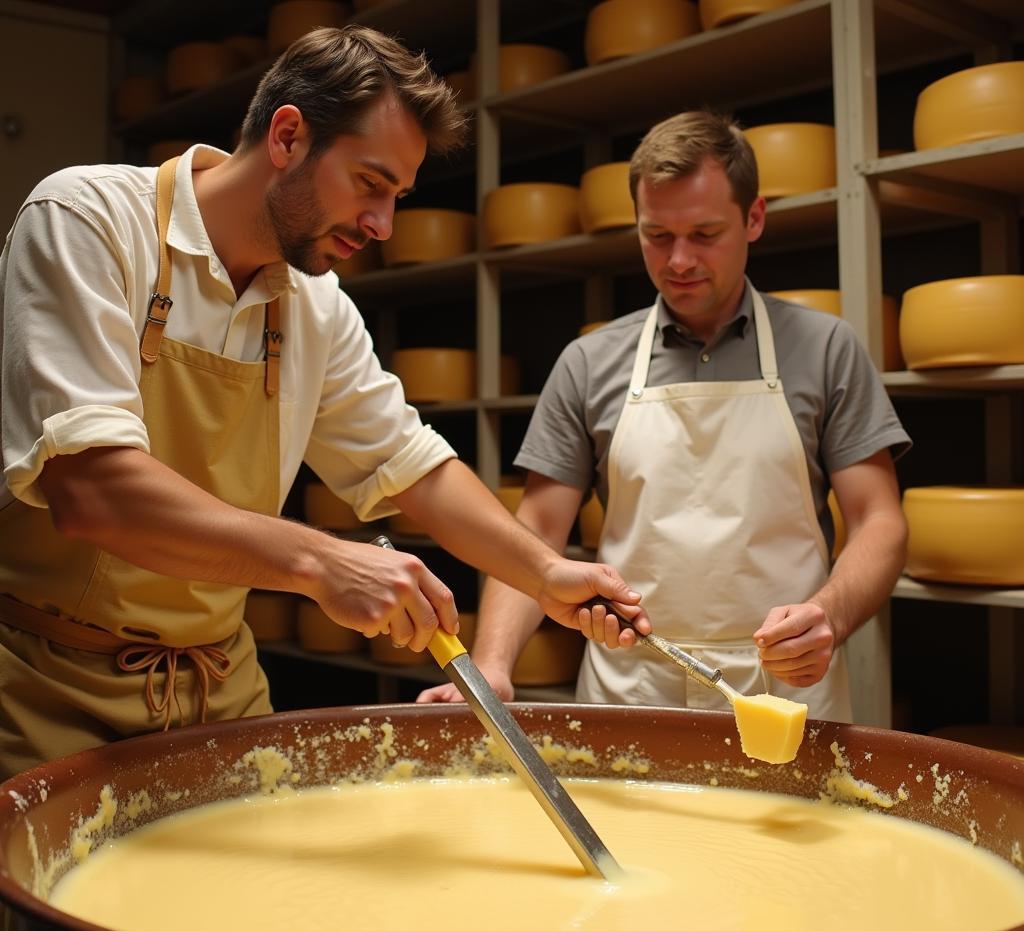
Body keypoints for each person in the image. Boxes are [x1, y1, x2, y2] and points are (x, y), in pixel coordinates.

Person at [0, 24, 650, 787]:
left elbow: (412, 468)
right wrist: (320, 562)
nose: (383, 225)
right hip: (50, 690)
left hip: (218, 688)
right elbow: (94, 493)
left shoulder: (315, 305)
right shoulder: (88, 221)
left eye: (398, 197)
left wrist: (546, 573)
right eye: (370, 184)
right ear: (286, 135)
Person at [419, 110, 910, 722]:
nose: (678, 260)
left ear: (753, 219)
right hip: (632, 689)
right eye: (657, 236)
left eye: (704, 234)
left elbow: (879, 520)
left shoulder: (825, 348)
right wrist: (493, 663)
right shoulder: (590, 362)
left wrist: (830, 618)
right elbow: (537, 535)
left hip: (782, 688)